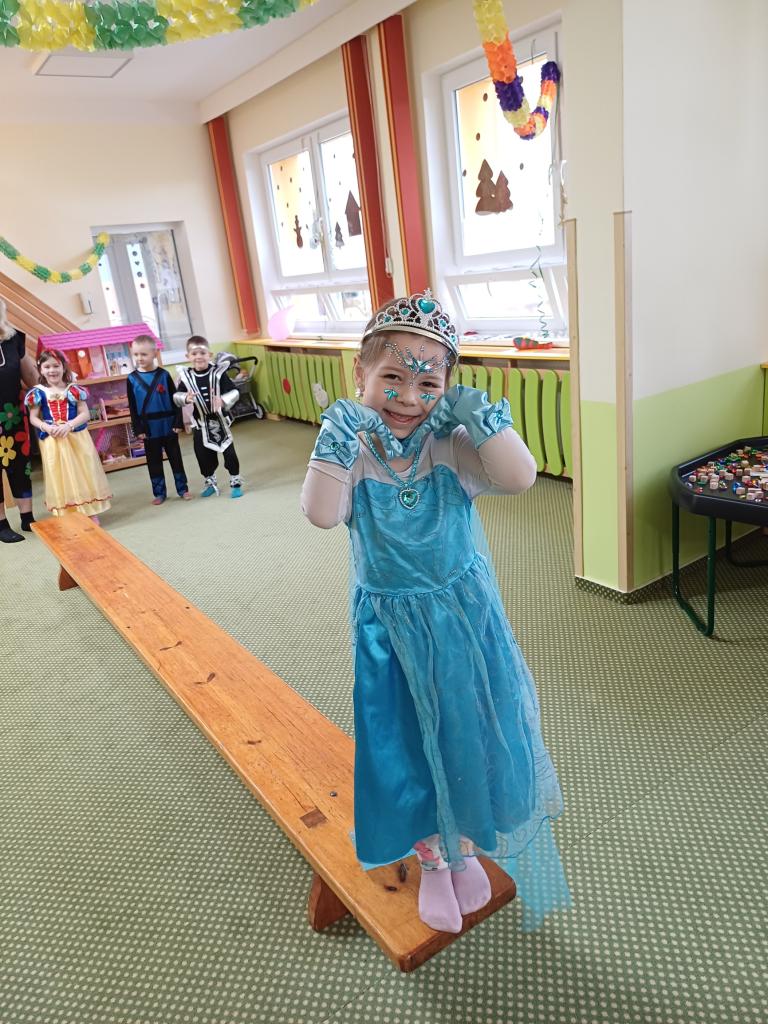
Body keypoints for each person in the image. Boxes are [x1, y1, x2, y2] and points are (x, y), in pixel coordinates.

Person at [300, 290, 570, 934]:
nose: (407, 397)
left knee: (467, 733)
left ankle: (465, 848)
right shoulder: (355, 449)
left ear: (447, 387)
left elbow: (521, 477)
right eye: (391, 378)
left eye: (429, 383)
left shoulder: (449, 444)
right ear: (360, 375)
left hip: (464, 625)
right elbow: (321, 514)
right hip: (390, 634)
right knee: (406, 747)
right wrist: (334, 440)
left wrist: (482, 418)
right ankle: (432, 860)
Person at [25, 349, 111, 523]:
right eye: (47, 367)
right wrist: (46, 427)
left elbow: (85, 414)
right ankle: (68, 513)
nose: (52, 370)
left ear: (63, 367)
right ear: (40, 369)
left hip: (76, 437)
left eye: (56, 366)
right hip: (53, 440)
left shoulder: (73, 389)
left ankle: (89, 510)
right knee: (59, 475)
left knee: (82, 471)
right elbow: (33, 417)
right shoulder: (38, 392)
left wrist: (69, 425)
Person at [173, 336, 243, 498]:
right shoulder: (186, 376)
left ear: (209, 355)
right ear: (188, 356)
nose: (198, 357)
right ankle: (210, 481)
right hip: (200, 423)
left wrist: (223, 400)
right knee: (202, 455)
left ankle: (235, 481)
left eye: (202, 353)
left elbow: (235, 391)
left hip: (221, 421)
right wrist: (185, 398)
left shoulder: (218, 373)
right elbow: (176, 396)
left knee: (229, 453)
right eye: (194, 353)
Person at [126, 335, 190, 505]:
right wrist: (138, 429)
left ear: (155, 353)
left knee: (175, 458)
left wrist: (178, 422)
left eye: (144, 354)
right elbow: (132, 407)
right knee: (154, 462)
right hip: (148, 428)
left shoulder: (164, 375)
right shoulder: (131, 379)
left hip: (168, 425)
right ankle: (159, 493)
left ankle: (183, 489)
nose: (139, 358)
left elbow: (176, 399)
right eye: (136, 354)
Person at [0, 297, 38, 542]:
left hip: (13, 413)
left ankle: (27, 517)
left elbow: (30, 376)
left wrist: (55, 388)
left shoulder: (14, 338)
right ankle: (1, 524)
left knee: (20, 465)